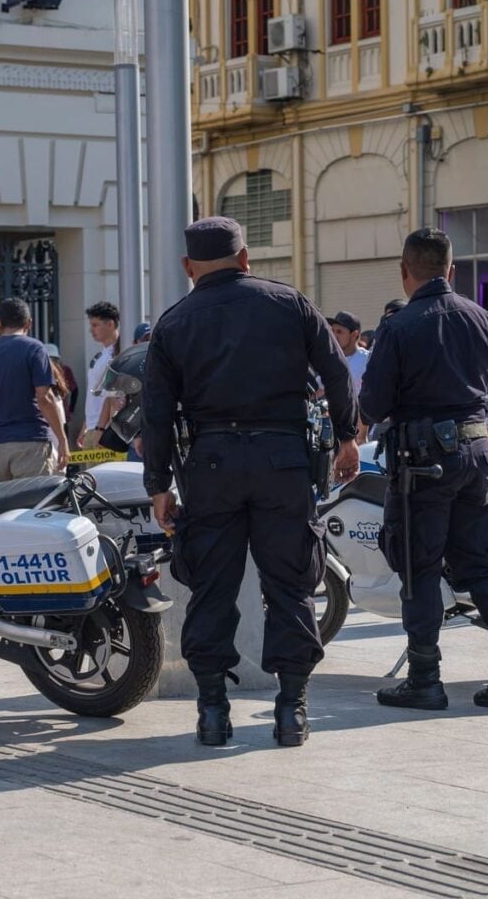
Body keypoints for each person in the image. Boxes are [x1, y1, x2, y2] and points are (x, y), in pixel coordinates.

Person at [142, 216, 359, 748]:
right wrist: (348, 437)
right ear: (245, 259)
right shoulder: (289, 303)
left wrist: (158, 485)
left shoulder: (174, 323)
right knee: (290, 585)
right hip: (283, 461)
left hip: (210, 465)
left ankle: (213, 712)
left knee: (212, 588)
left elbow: (156, 412)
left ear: (188, 268)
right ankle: (292, 710)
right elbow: (336, 371)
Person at [359, 228, 488, 710]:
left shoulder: (399, 326)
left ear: (404, 271)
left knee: (418, 571)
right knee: (480, 564)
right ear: (452, 271)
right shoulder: (481, 318)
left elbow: (373, 403)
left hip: (422, 463)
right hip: (477, 454)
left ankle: (425, 678)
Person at [0, 298, 68, 481]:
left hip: (0, 446)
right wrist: (62, 440)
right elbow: (45, 398)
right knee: (35, 505)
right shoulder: (35, 349)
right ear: (29, 323)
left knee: (5, 507)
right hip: (32, 442)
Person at [77, 301, 120, 449]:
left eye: (95, 325)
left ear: (110, 324)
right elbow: (95, 395)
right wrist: (85, 426)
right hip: (93, 428)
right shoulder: (100, 356)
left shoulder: (119, 354)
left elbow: (113, 396)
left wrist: (103, 429)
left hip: (106, 430)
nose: (91, 330)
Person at [327, 311, 369, 395]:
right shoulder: (328, 360)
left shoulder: (368, 360)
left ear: (354, 335)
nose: (334, 336)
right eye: (332, 331)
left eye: (339, 332)